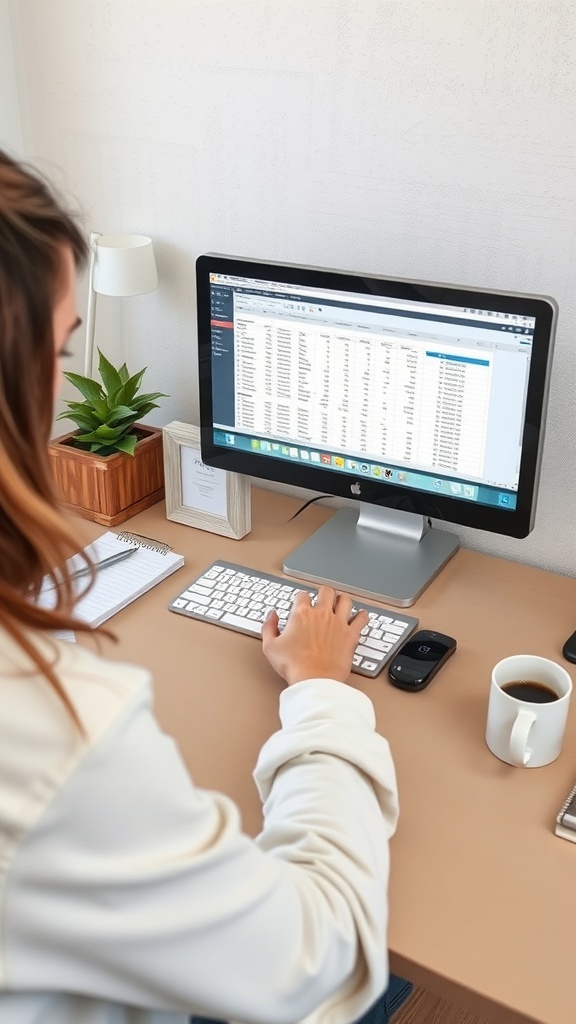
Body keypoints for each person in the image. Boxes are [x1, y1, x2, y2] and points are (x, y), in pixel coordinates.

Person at [0, 148, 412, 1024]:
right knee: (399, 968)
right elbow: (322, 957)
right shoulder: (50, 735)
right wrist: (323, 694)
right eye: (61, 349)